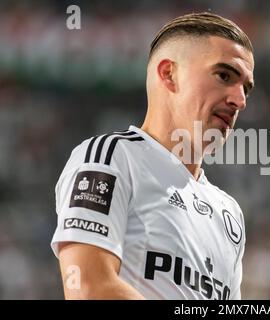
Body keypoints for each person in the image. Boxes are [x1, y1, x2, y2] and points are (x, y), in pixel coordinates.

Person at [50, 12, 255, 300]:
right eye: (224, 76)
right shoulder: (111, 159)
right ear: (168, 74)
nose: (240, 100)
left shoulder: (229, 213)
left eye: (246, 88)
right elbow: (87, 288)